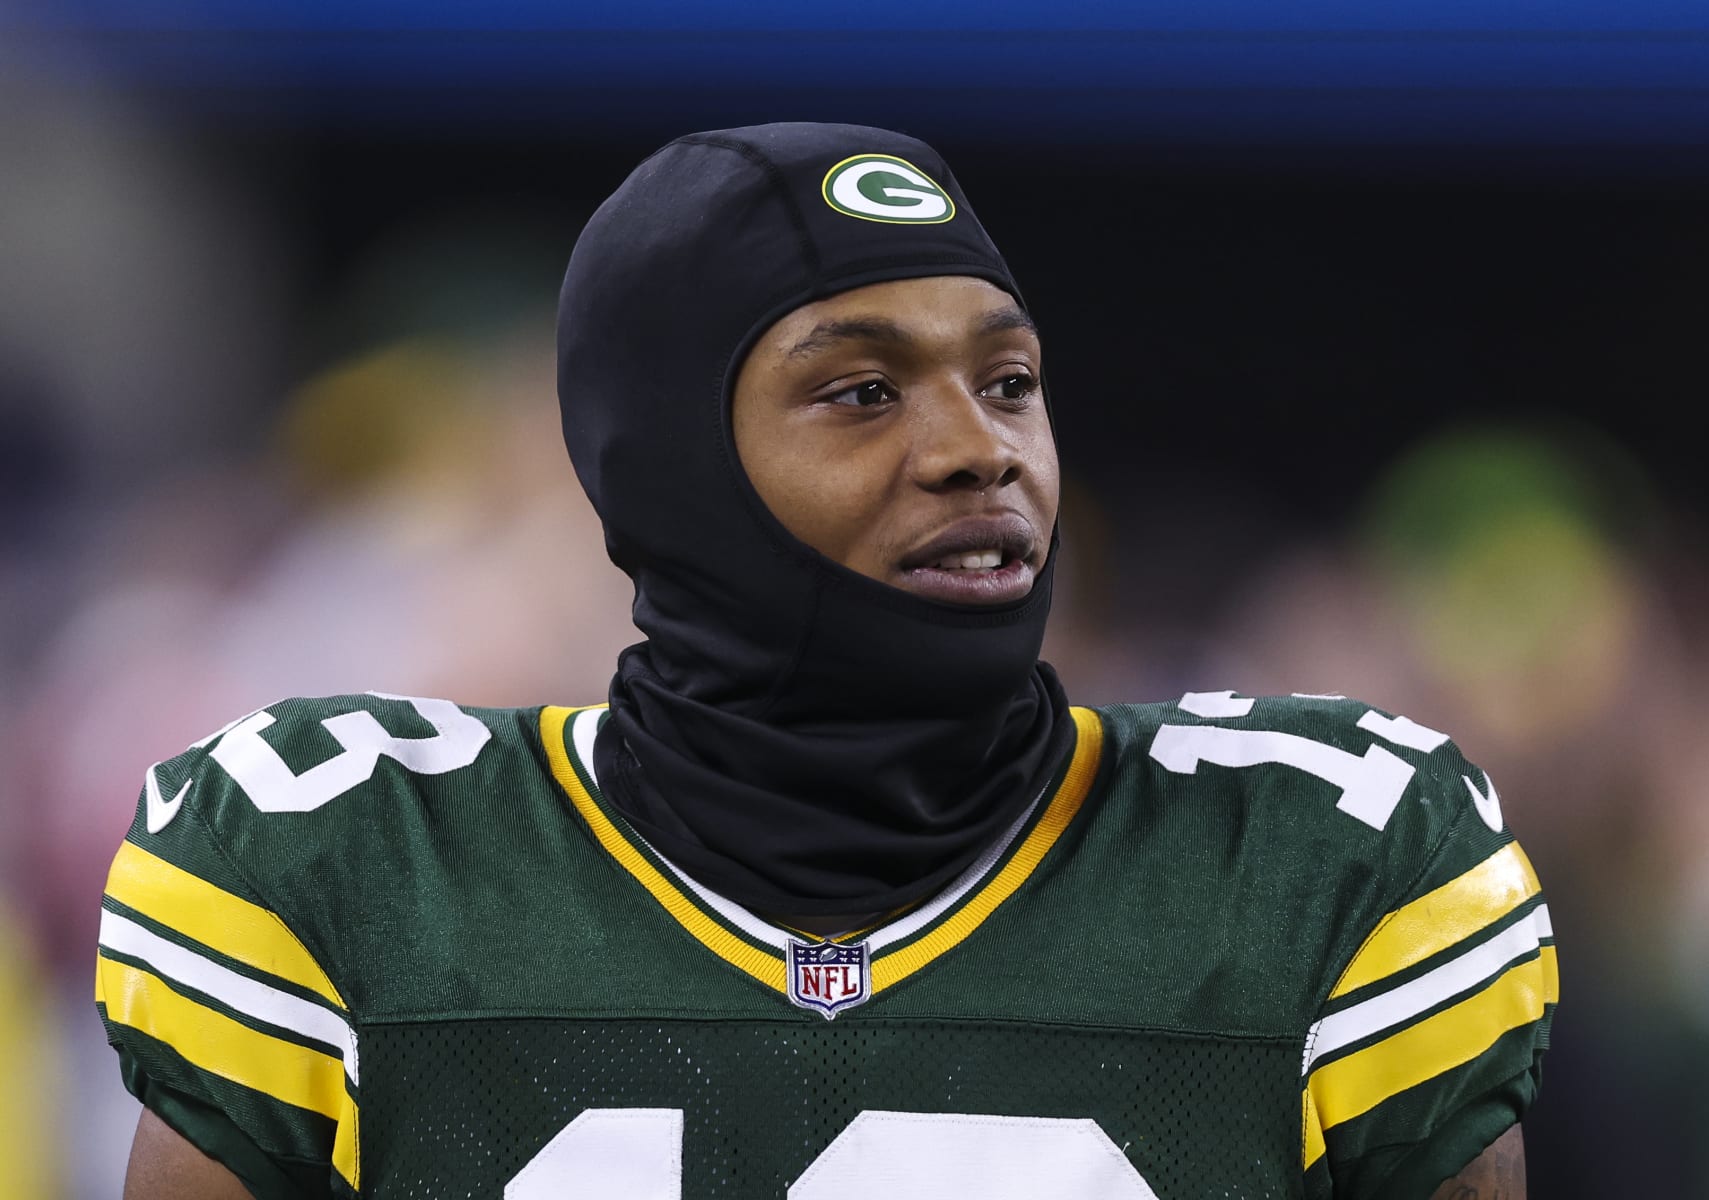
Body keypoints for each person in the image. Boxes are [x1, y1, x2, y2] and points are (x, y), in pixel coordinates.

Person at [97, 123, 1554, 1199]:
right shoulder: (349, 868)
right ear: (664, 469)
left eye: (1009, 380)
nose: (979, 449)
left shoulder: (1317, 862)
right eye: (861, 393)